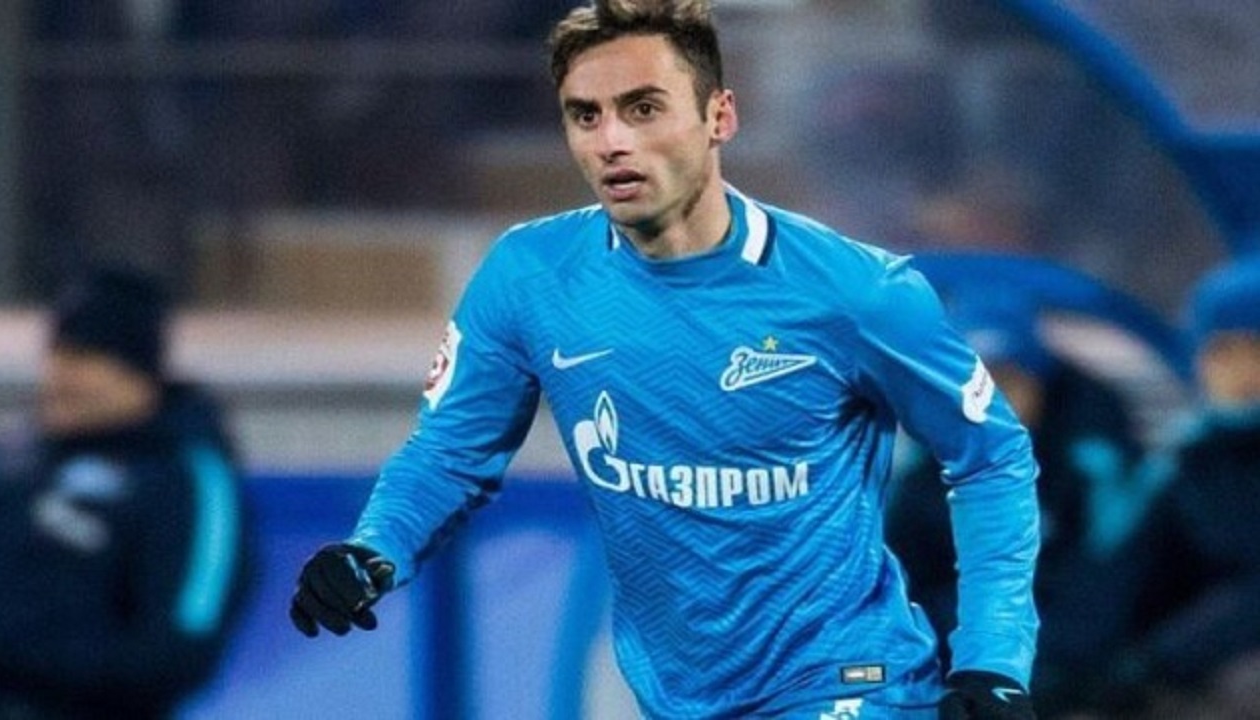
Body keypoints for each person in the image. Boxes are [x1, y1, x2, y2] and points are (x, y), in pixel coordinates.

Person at [290, 2, 1041, 717]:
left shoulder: (855, 291)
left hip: (848, 680)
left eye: (643, 109)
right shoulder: (530, 276)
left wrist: (992, 658)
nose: (611, 141)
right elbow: (451, 451)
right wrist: (372, 549)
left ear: (720, 116)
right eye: (586, 115)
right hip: (676, 698)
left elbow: (990, 456)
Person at [0, 266, 255, 719]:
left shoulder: (185, 480)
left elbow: (179, 648)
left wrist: (13, 656)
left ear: (138, 375)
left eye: (83, 359)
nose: (59, 376)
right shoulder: (14, 457)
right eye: (56, 355)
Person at [883, 291, 1144, 717]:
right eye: (974, 384)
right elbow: (899, 595)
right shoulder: (921, 479)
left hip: (1071, 670)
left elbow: (1108, 580)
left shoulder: (1091, 466)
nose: (990, 401)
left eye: (1009, 381)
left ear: (1040, 385)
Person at [1067, 257, 1260, 718]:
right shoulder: (1187, 460)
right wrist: (1073, 670)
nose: (1242, 373)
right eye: (1222, 353)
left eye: (1256, 351)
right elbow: (1120, 572)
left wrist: (1159, 661)